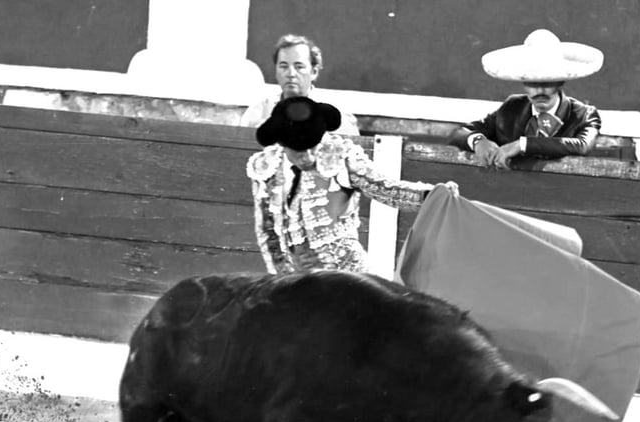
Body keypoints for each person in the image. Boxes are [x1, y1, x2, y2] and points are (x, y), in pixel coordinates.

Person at [247, 97, 456, 273]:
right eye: (299, 152)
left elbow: (385, 189)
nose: (308, 157)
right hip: (297, 281)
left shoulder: (340, 155)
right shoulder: (266, 168)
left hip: (347, 275)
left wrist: (431, 195)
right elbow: (268, 233)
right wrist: (281, 278)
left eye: (313, 147)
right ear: (282, 145)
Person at [449, 29, 603, 170]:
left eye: (547, 83)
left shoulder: (583, 114)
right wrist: (478, 142)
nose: (539, 91)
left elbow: (582, 145)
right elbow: (460, 132)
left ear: (560, 82)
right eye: (532, 83)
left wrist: (522, 145)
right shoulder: (512, 107)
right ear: (523, 83)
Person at [239, 34, 359, 136]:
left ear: (314, 72)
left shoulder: (336, 115)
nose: (291, 74)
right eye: (284, 66)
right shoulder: (258, 112)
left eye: (299, 67)